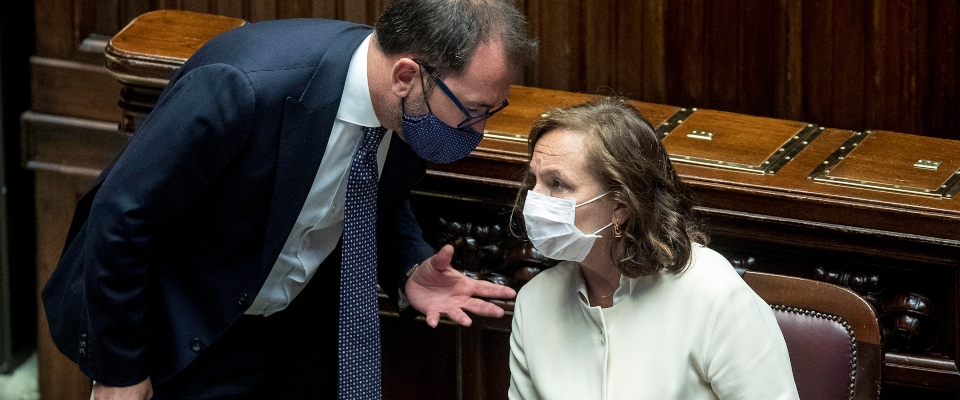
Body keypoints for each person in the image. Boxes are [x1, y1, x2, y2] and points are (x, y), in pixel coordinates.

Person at [41, 0, 538, 398]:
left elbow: (371, 194)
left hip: (302, 334)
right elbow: (122, 218)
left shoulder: (410, 111)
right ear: (406, 75)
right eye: (472, 111)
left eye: (491, 111)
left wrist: (410, 266)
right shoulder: (245, 87)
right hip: (190, 329)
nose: (478, 131)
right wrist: (121, 369)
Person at [507, 97, 800, 399]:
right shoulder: (535, 303)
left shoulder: (714, 295)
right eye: (534, 181)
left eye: (557, 184)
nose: (534, 200)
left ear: (620, 205)